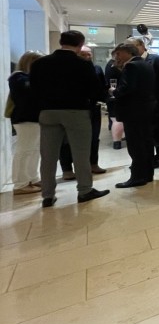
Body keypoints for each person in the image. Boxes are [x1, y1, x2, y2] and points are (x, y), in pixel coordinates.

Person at [29, 30, 109, 207]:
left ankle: (47, 195)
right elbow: (94, 90)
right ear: (80, 44)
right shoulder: (83, 64)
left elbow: (33, 89)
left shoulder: (40, 63)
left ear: (61, 42)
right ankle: (84, 190)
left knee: (48, 156)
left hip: (48, 112)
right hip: (76, 112)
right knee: (81, 153)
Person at [111, 43, 156, 188]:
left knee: (136, 145)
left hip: (133, 111)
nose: (117, 57)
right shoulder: (146, 64)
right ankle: (148, 174)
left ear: (128, 52)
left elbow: (126, 88)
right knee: (146, 143)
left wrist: (114, 91)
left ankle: (137, 177)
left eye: (119, 53)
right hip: (146, 109)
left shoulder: (131, 66)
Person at [59, 45, 107, 177]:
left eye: (89, 54)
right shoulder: (69, 69)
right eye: (83, 54)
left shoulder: (96, 68)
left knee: (94, 137)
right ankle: (67, 169)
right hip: (73, 108)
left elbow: (101, 87)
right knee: (68, 139)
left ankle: (93, 163)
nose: (87, 57)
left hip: (93, 108)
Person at [128, 37, 159, 167]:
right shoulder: (131, 61)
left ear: (142, 45)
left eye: (134, 46)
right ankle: (146, 157)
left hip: (156, 101)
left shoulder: (157, 60)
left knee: (156, 130)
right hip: (139, 103)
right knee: (143, 132)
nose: (132, 49)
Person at [9, 51, 43, 195]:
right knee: (25, 150)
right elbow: (29, 93)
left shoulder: (26, 77)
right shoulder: (18, 77)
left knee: (34, 149)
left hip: (33, 118)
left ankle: (32, 178)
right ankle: (20, 183)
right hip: (25, 118)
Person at [104, 53, 125, 149]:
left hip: (113, 96)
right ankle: (117, 142)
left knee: (115, 119)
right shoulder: (115, 66)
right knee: (117, 119)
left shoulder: (110, 65)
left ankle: (117, 142)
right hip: (117, 96)